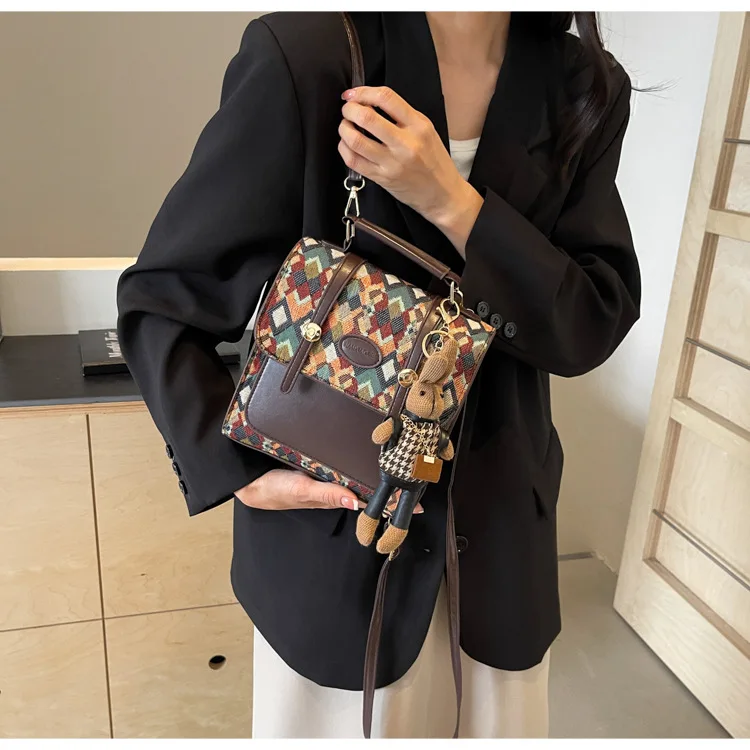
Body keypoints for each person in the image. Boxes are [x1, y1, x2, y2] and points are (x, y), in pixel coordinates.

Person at [116, 11, 640, 739]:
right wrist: (232, 467)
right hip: (335, 554)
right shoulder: (310, 53)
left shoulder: (585, 84)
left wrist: (454, 205)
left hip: (500, 553)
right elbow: (165, 298)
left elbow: (589, 322)